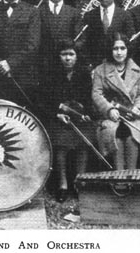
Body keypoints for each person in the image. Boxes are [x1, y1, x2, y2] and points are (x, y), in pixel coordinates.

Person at [39, 40, 94, 202]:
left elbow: (88, 99)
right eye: (64, 54)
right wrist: (57, 114)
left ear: (77, 56)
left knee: (84, 140)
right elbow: (44, 102)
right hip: (58, 119)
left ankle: (79, 182)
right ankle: (63, 185)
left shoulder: (84, 74)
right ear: (59, 56)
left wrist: (84, 113)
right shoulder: (51, 74)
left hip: (79, 118)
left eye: (71, 54)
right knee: (61, 143)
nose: (68, 58)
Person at [92, 33, 140, 171]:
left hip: (131, 114)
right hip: (110, 115)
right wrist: (109, 109)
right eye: (115, 48)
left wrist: (138, 108)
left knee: (132, 135)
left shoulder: (137, 70)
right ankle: (119, 174)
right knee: (113, 133)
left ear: (128, 49)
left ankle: (131, 174)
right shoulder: (100, 70)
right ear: (110, 50)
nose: (119, 52)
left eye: (123, 48)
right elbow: (96, 94)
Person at [81, 0, 135, 68]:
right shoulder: (89, 16)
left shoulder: (125, 15)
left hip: (118, 64)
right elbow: (86, 43)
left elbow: (131, 42)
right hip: (95, 65)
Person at [38, 0, 82, 79]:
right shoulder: (38, 12)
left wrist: (69, 52)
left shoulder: (74, 12)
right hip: (44, 64)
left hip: (67, 64)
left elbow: (80, 39)